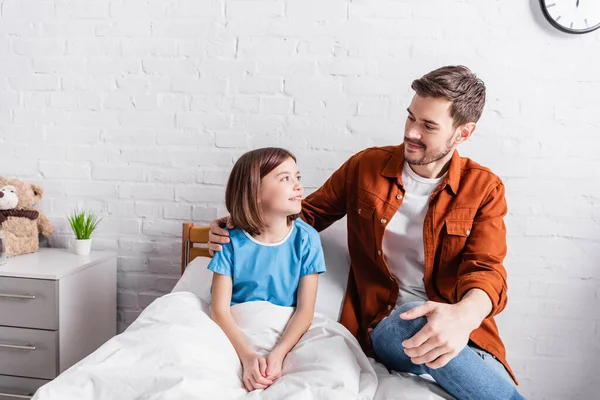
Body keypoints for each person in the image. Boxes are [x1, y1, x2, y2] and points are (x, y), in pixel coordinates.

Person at [209, 66, 524, 400]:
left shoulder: (483, 188)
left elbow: (486, 270)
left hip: (461, 331)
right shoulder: (366, 168)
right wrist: (239, 221)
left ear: (463, 133)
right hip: (388, 327)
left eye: (428, 126)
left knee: (476, 363)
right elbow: (305, 216)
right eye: (410, 117)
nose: (412, 132)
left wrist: (464, 315)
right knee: (413, 321)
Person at [208, 147, 326, 392]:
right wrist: (248, 357)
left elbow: (305, 311)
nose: (298, 186)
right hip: (238, 332)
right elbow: (219, 311)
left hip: (286, 332)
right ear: (255, 193)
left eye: (298, 177)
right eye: (285, 178)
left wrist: (279, 354)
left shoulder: (307, 239)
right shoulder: (228, 240)